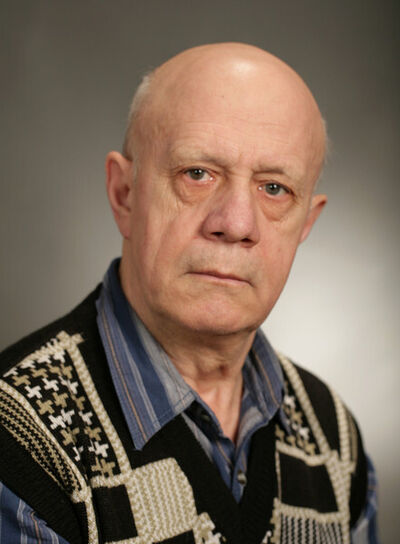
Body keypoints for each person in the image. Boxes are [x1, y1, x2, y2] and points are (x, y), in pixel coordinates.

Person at [0, 43, 378, 544]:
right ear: (124, 194)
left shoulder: (335, 439)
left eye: (274, 189)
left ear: (306, 222)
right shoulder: (19, 442)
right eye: (197, 174)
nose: (236, 224)